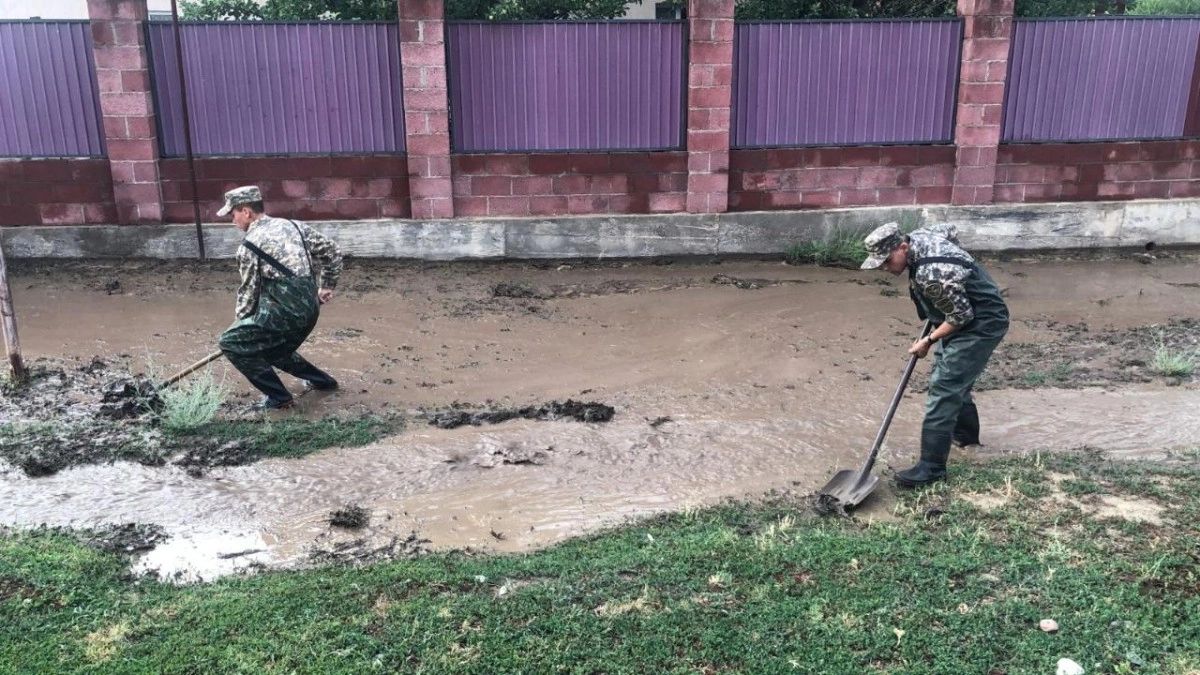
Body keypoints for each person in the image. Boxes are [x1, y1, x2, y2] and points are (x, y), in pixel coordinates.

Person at [859, 222, 1009, 487]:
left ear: (903, 247)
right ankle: (965, 438)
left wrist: (928, 340)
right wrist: (957, 275)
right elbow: (950, 230)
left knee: (945, 385)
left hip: (982, 322)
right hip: (959, 314)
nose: (885, 268)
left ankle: (932, 469)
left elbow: (961, 316)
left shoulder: (933, 275)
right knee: (951, 377)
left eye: (887, 261)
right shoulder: (922, 236)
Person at [216, 185, 343, 410]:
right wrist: (326, 286)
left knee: (230, 343)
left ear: (246, 212)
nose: (232, 220)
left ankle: (279, 398)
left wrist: (240, 330)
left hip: (284, 314)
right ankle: (323, 382)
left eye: (232, 214)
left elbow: (249, 294)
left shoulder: (249, 246)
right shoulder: (294, 226)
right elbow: (332, 252)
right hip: (310, 310)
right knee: (272, 347)